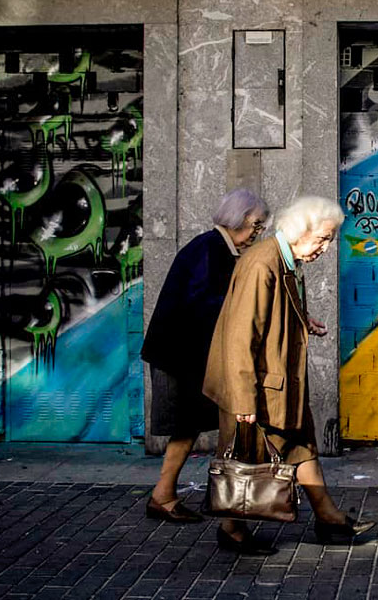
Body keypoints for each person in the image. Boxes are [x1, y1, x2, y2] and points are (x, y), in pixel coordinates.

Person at [203, 195, 376, 555]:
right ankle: (232, 529)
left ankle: (328, 518)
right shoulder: (262, 264)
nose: (326, 248)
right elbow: (240, 334)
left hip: (278, 382)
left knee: (300, 445)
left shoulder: (285, 260)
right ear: (301, 230)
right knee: (250, 459)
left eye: (330, 240)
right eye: (323, 238)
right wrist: (243, 399)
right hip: (259, 386)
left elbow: (272, 313)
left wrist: (302, 320)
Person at [141, 189, 270, 524]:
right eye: (256, 224)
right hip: (180, 355)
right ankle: (164, 496)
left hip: (188, 354)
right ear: (240, 219)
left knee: (189, 426)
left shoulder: (218, 249)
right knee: (187, 425)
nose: (258, 232)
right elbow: (203, 304)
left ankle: (165, 495)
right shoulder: (209, 249)